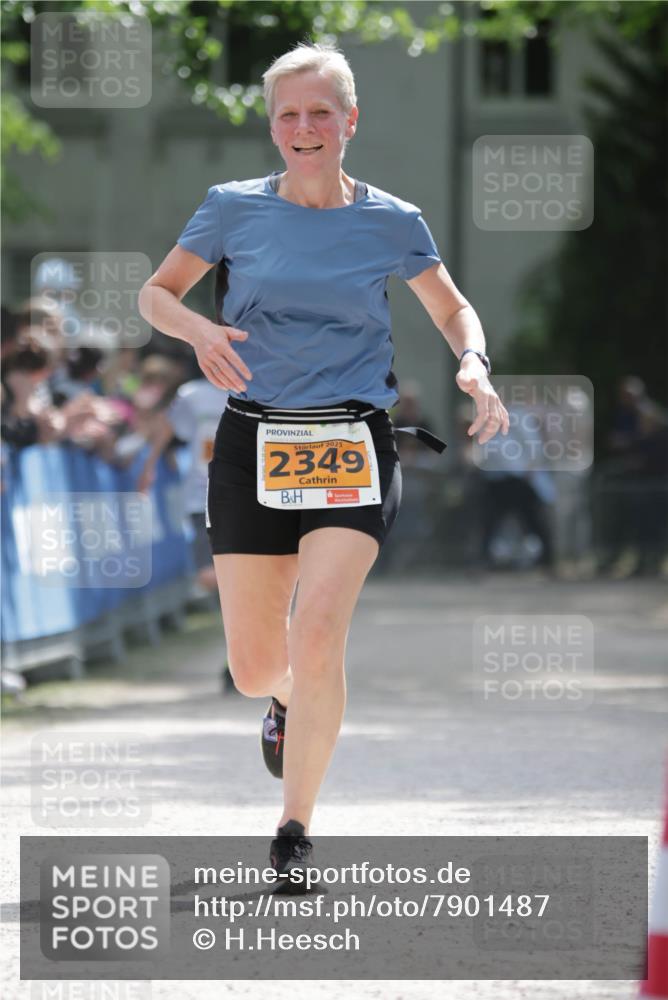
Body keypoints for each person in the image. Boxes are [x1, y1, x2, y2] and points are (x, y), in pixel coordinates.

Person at [138, 42, 509, 887]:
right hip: (252, 443)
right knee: (255, 666)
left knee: (319, 632)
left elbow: (454, 309)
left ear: (350, 121)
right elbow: (156, 294)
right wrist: (199, 330)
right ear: (273, 127)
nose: (304, 128)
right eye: (288, 114)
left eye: (320, 112)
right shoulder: (231, 208)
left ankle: (294, 828)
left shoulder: (391, 219)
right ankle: (278, 704)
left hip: (352, 439)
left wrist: (473, 362)